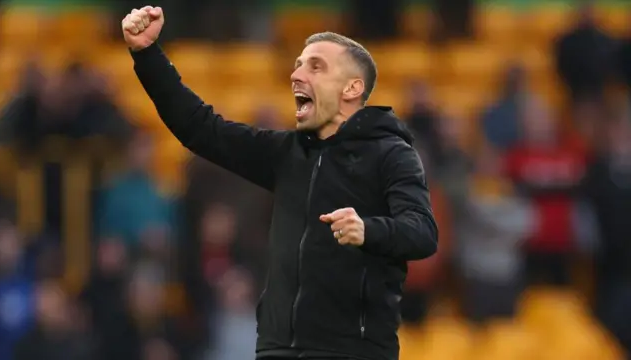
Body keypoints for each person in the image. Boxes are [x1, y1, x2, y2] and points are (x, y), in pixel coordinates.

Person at [121, 6, 438, 360]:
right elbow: (199, 128)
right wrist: (147, 55)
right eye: (299, 64)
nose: (297, 74)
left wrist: (369, 230)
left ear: (352, 87)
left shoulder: (392, 155)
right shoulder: (287, 153)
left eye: (315, 66)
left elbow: (422, 232)